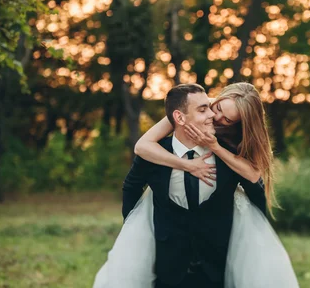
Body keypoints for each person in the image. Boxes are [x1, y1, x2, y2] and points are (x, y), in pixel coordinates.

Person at [93, 83, 298, 288]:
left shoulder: (232, 152)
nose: (215, 118)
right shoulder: (179, 124)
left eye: (227, 119)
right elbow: (135, 172)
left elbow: (255, 184)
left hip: (216, 265)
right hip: (168, 263)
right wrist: (134, 230)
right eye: (215, 108)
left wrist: (258, 241)